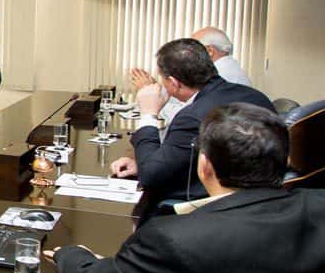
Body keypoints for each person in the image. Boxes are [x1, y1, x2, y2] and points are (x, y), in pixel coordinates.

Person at [50, 103, 325, 273]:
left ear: (204, 165)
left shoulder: (173, 240)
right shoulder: (319, 208)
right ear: (285, 161)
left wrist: (71, 254)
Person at [110, 39, 274, 211]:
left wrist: (148, 115)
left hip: (209, 205)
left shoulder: (192, 117)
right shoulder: (256, 96)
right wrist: (143, 163)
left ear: (174, 83)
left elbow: (150, 177)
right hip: (261, 200)